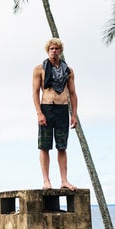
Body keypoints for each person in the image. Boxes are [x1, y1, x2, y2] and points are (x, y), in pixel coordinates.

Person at [32, 38, 78, 190]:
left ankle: (64, 180)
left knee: (62, 147)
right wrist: (39, 113)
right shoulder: (40, 69)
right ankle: (46, 180)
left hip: (62, 109)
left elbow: (72, 93)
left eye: (56, 48)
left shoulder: (68, 71)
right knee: (44, 146)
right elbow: (35, 92)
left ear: (60, 51)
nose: (54, 51)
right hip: (47, 108)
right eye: (51, 48)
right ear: (48, 50)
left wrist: (74, 114)